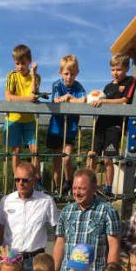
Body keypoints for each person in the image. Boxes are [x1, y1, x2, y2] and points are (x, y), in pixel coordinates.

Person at [53, 169, 121, 271]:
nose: (77, 193)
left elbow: (114, 246)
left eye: (82, 189)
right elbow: (60, 243)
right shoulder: (66, 211)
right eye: (74, 188)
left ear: (94, 189)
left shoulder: (107, 211)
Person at [0, 161, 58, 271]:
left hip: (36, 260)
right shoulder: (6, 201)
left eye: (25, 180)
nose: (21, 183)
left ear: (34, 180)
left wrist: (53, 261)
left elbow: (58, 231)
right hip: (10, 260)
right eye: (17, 179)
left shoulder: (46, 201)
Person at [88, 54, 136, 195]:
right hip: (101, 123)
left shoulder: (130, 81)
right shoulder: (108, 86)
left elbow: (124, 100)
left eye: (119, 69)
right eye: (113, 69)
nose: (115, 72)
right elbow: (100, 99)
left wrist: (103, 102)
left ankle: (108, 189)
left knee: (108, 158)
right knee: (92, 154)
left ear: (127, 68)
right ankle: (89, 186)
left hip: (114, 125)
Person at [47, 55, 86, 193]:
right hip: (56, 128)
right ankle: (58, 189)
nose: (69, 77)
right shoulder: (57, 84)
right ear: (60, 73)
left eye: (72, 74)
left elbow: (83, 100)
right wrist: (65, 99)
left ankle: (68, 181)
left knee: (67, 157)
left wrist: (69, 97)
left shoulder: (78, 86)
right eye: (66, 73)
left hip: (70, 129)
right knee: (57, 162)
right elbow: (56, 100)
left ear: (77, 73)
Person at [4, 44, 41, 176]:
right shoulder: (11, 76)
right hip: (14, 118)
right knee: (16, 150)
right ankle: (17, 179)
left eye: (23, 63)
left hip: (29, 119)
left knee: (35, 150)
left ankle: (36, 179)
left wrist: (33, 74)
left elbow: (34, 93)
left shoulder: (36, 77)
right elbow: (8, 97)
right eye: (17, 63)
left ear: (29, 62)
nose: (20, 66)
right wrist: (28, 99)